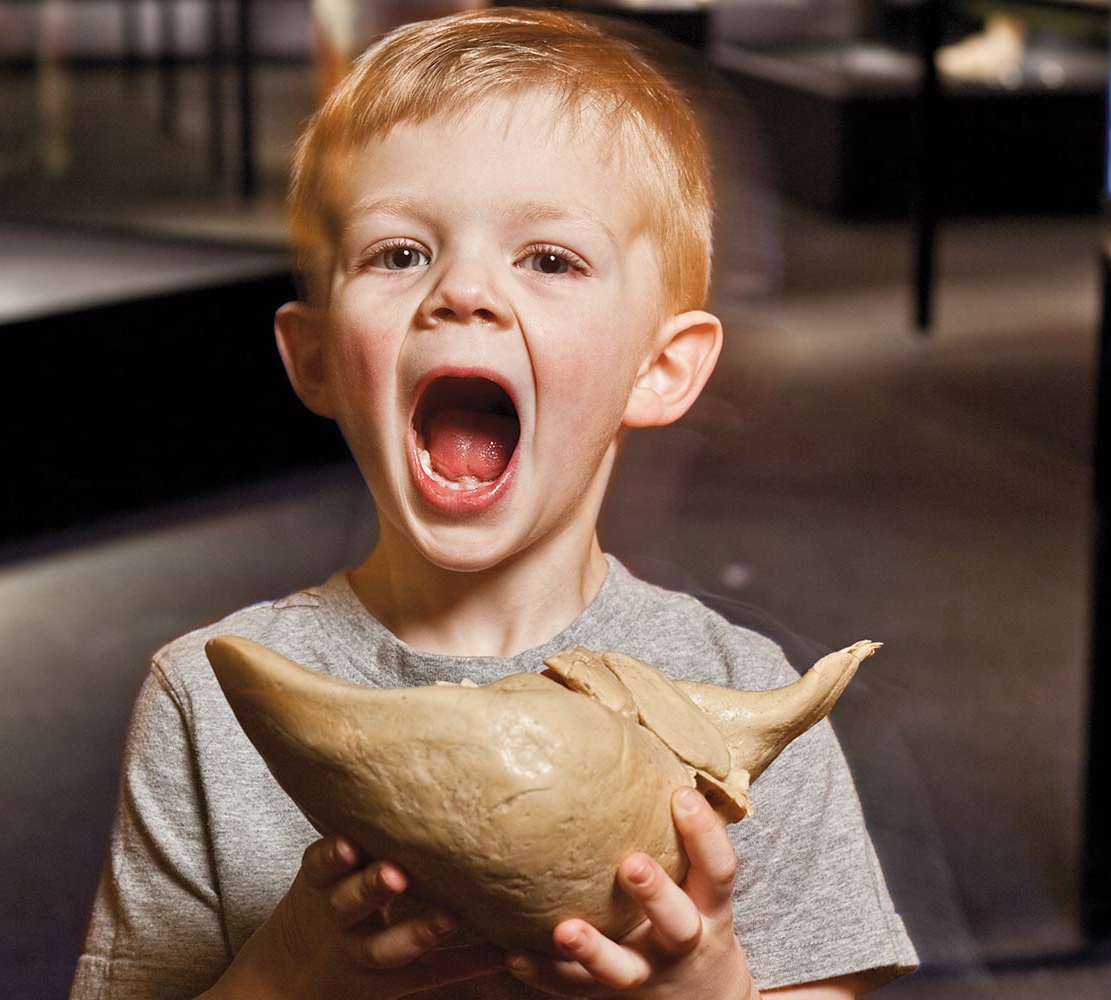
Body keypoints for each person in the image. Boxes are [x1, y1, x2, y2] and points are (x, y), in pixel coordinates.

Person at [70, 9, 917, 999]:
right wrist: (292, 969)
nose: (462, 290)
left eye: (548, 259)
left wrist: (708, 988)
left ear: (661, 368)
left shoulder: (743, 689)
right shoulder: (207, 703)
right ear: (314, 359)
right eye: (398, 254)